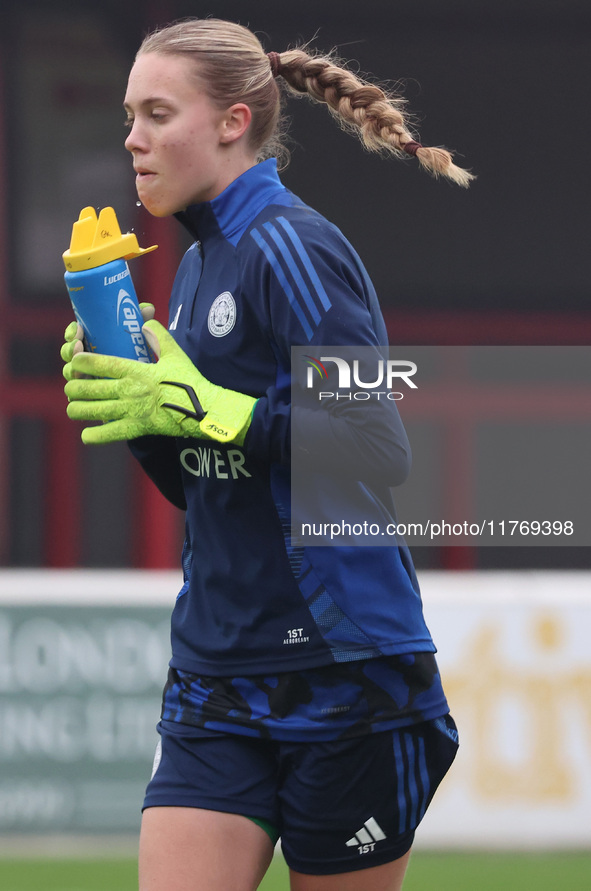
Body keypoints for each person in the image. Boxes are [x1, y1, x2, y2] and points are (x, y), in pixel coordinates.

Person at [61, 17, 472, 891]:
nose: (132, 138)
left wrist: (217, 409)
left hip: (345, 673)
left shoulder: (292, 246)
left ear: (232, 122)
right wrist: (142, 404)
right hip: (216, 670)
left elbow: (375, 441)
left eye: (156, 114)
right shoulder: (200, 261)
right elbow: (206, 480)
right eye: (129, 115)